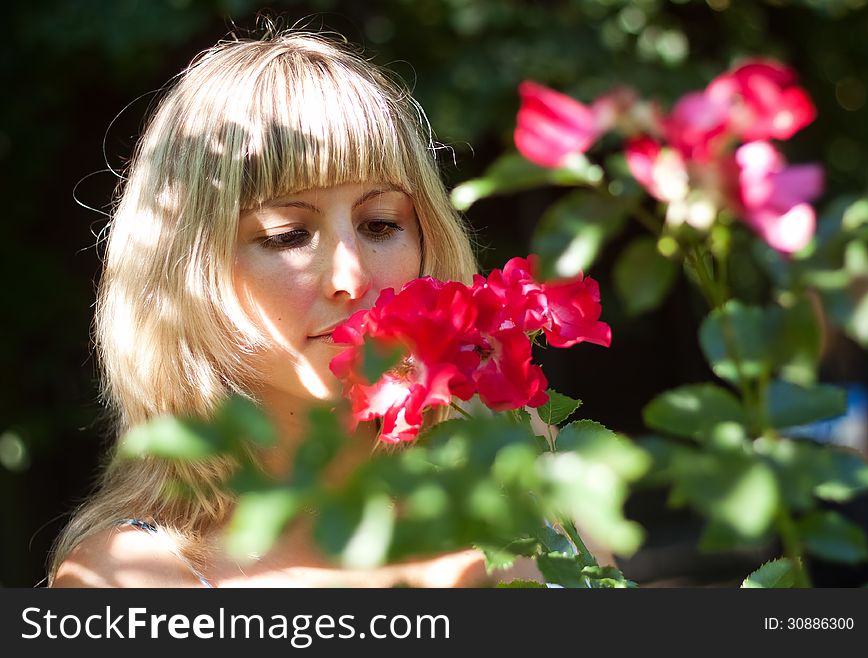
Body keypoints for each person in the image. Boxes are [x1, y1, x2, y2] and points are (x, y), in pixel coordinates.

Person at [48, 27, 551, 588]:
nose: (351, 278)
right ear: (186, 272)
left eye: (381, 225)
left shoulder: (521, 457)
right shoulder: (129, 581)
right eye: (288, 235)